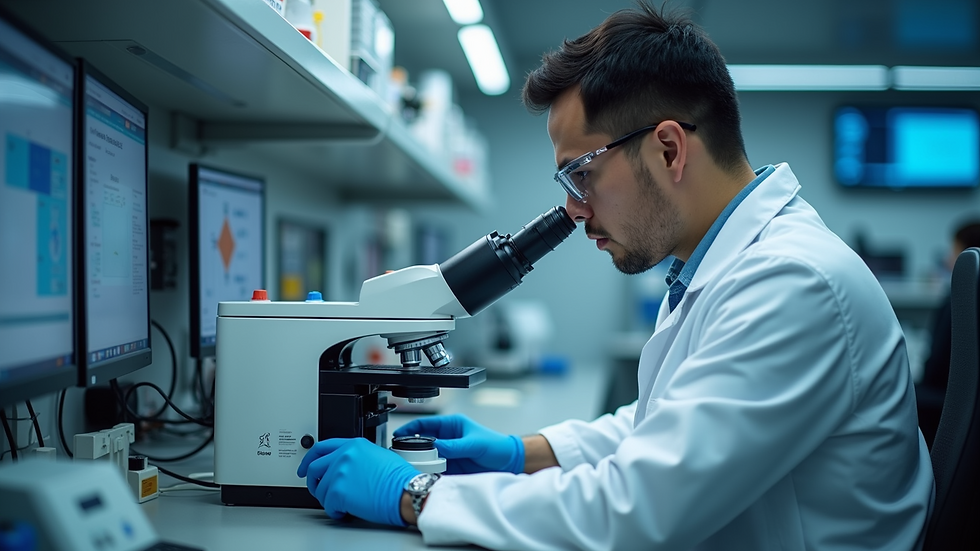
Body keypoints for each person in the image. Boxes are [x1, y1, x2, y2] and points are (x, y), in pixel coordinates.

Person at [295, 3, 934, 549]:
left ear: (668, 148)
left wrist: (414, 494)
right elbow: (669, 426)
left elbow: (635, 510)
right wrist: (525, 452)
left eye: (581, 174)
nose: (573, 209)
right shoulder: (725, 263)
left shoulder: (792, 284)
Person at [916, 220, 980, 448]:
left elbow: (932, 371)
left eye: (952, 250)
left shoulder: (956, 299)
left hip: (942, 401)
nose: (947, 259)